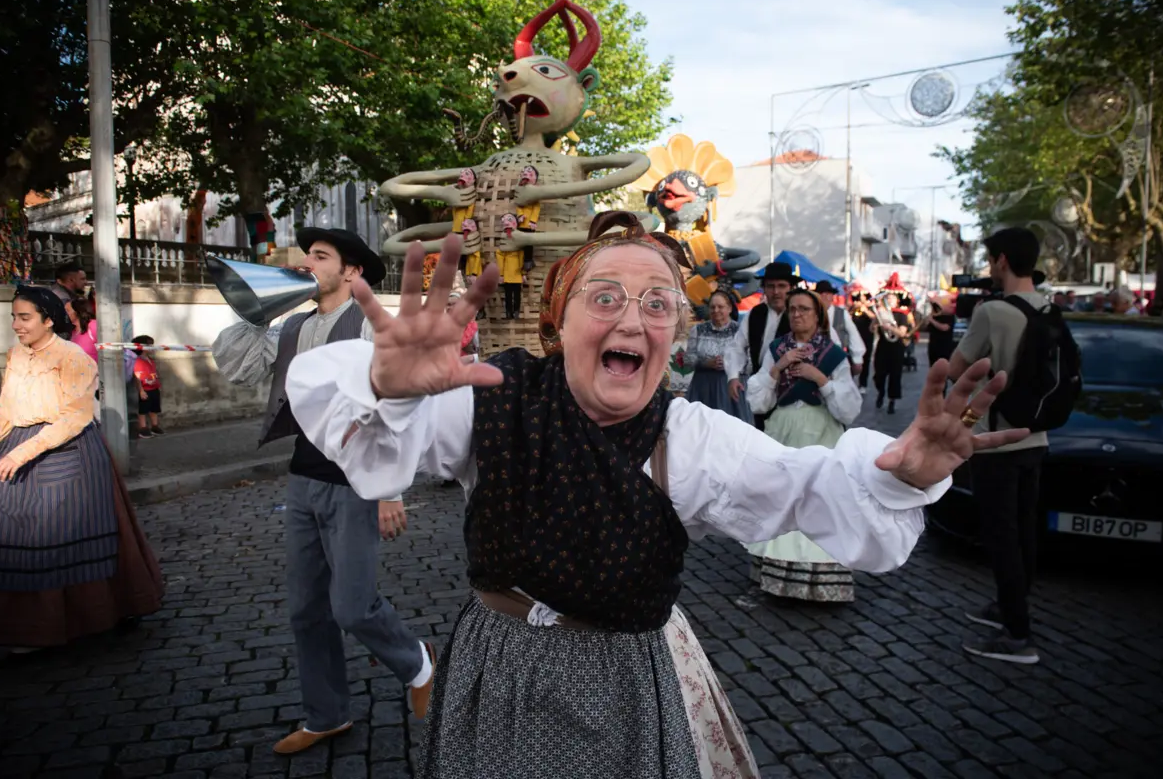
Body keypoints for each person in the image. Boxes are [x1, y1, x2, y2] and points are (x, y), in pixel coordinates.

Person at [285, 210, 1025, 778]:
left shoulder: (693, 438)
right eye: (604, 297)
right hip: (495, 669)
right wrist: (388, 388)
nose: (632, 319)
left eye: (657, 304)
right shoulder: (495, 398)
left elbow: (808, 486)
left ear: (672, 336)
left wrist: (907, 470)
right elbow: (372, 440)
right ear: (559, 320)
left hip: (623, 685)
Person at [212, 227, 434, 756]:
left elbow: (398, 405)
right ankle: (327, 714)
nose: (306, 263)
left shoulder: (372, 326)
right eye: (307, 255)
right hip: (304, 478)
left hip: (355, 482)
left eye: (319, 256)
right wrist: (257, 308)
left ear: (351, 271)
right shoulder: (292, 325)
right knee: (306, 610)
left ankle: (419, 664)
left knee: (353, 607)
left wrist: (390, 489)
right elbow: (240, 367)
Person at [0, 286, 163, 652]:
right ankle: (21, 625)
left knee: (55, 530)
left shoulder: (73, 357)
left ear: (48, 320)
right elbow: (4, 409)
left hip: (68, 449)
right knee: (8, 519)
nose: (16, 325)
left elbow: (74, 417)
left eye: (24, 317)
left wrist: (21, 454)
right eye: (14, 316)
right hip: (22, 444)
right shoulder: (16, 355)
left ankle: (77, 619)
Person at [948, 227, 1050, 665]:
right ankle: (1011, 609)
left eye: (991, 259)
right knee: (1024, 531)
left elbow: (957, 368)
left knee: (1000, 536)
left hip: (994, 440)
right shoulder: (1049, 306)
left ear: (1002, 261)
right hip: (1035, 435)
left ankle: (1017, 635)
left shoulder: (992, 311)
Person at [745, 288, 863, 602]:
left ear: (817, 314)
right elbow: (758, 401)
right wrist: (777, 366)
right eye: (793, 309)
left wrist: (819, 378)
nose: (797, 314)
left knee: (818, 500)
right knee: (782, 499)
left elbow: (850, 407)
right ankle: (778, 574)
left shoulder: (832, 352)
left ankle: (820, 579)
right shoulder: (777, 348)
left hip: (821, 432)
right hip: (783, 429)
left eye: (805, 309)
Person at [724, 263, 799, 431]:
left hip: (792, 389)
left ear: (791, 288)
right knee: (763, 434)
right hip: (762, 387)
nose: (776, 292)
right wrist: (733, 376)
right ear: (764, 289)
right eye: (770, 286)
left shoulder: (801, 314)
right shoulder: (755, 313)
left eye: (781, 286)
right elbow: (737, 346)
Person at [684, 290, 753, 424]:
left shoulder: (741, 331)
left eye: (720, 307)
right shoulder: (698, 330)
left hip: (732, 390)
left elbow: (751, 363)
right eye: (712, 307)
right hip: (703, 388)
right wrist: (705, 363)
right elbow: (687, 360)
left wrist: (731, 365)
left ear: (729, 308)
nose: (716, 310)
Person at [872, 288, 913, 414]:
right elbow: (871, 330)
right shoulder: (880, 314)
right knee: (879, 374)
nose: (889, 301)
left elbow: (902, 333)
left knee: (895, 375)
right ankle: (881, 391)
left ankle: (891, 401)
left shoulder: (901, 315)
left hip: (896, 348)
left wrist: (889, 327)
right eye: (887, 298)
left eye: (892, 299)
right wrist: (875, 323)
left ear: (897, 301)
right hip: (883, 346)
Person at [815, 280, 866, 375]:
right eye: (821, 293)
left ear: (832, 297)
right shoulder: (811, 313)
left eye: (828, 293)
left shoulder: (842, 314)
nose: (825, 297)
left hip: (838, 361)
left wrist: (857, 359)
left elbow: (853, 334)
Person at [132, 336, 164, 438]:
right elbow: (137, 377)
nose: (151, 347)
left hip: (154, 388)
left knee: (154, 408)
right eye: (148, 345)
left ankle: (154, 426)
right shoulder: (137, 361)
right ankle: (143, 428)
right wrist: (141, 390)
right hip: (145, 389)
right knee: (143, 409)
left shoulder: (150, 360)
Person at [849, 288, 876, 393]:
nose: (861, 299)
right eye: (860, 297)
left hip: (867, 337)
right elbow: (846, 316)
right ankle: (850, 382)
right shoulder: (854, 307)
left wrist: (865, 310)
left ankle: (863, 384)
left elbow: (875, 318)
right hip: (854, 337)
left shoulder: (871, 307)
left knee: (866, 361)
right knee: (851, 360)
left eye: (863, 297)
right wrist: (852, 309)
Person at [925, 297, 956, 366]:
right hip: (933, 347)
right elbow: (927, 327)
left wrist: (931, 320)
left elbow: (944, 328)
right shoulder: (935, 316)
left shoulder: (950, 317)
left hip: (944, 348)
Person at [68, 297, 99, 362]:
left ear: (77, 311)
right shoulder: (73, 332)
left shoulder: (93, 325)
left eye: (68, 310)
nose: (65, 313)